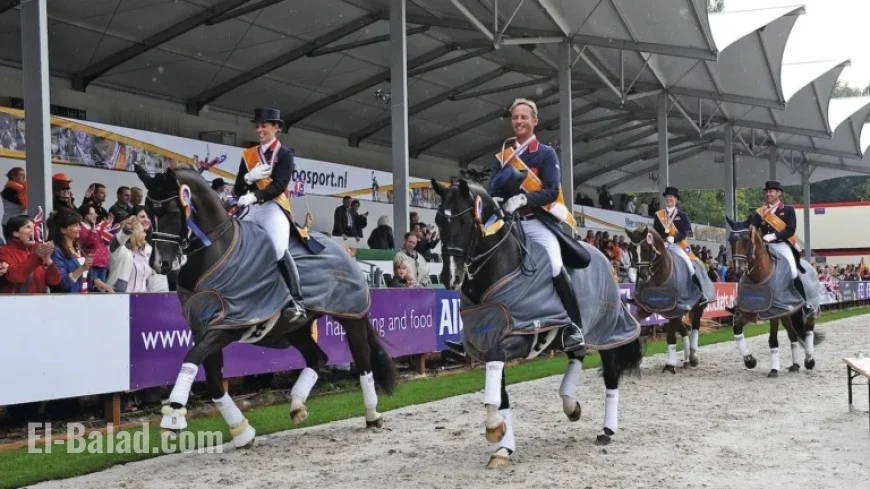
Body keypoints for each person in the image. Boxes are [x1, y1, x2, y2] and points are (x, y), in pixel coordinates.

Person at [487, 98, 585, 353]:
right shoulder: (502, 156)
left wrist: (524, 198)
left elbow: (551, 191)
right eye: (515, 117)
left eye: (523, 117)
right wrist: (496, 198)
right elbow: (492, 188)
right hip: (509, 223)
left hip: (535, 222)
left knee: (554, 264)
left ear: (534, 121)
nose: (518, 121)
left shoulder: (545, 153)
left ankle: (574, 327)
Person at [232, 107, 305, 322]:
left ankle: (295, 300)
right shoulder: (248, 155)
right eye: (257, 125)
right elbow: (237, 188)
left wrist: (255, 196)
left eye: (264, 125)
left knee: (279, 248)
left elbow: (280, 185)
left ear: (276, 128)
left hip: (272, 206)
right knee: (232, 242)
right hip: (250, 207)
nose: (259, 129)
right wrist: (247, 179)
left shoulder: (284, 154)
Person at [739, 180, 810, 312]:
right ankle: (738, 301)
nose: (768, 194)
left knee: (793, 271)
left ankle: (804, 302)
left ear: (778, 193)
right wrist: (752, 226)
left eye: (771, 191)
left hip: (782, 245)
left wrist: (775, 236)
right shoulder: (762, 211)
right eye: (767, 192)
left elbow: (791, 230)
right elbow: (753, 224)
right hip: (766, 247)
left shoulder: (787, 210)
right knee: (748, 269)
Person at [653, 186, 707, 300]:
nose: (669, 199)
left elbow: (686, 233)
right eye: (667, 197)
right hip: (663, 245)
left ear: (675, 199)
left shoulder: (682, 216)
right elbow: (656, 232)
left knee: (689, 265)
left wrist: (674, 239)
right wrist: (662, 242)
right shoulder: (659, 215)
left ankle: (699, 293)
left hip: (678, 246)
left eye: (671, 197)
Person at [0, 215, 61, 294]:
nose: (33, 231)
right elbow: (15, 276)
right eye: (28, 227)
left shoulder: (37, 249)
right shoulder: (5, 251)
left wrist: (48, 261)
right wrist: (37, 256)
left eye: (34, 227)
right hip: (16, 303)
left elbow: (54, 281)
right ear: (16, 233)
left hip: (40, 302)